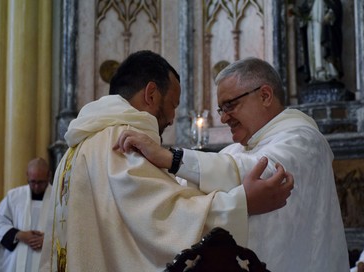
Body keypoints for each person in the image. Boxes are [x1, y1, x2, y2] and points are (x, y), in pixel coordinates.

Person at [39, 50, 293, 272]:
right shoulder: (122, 139)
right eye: (173, 105)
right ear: (151, 94)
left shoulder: (78, 147)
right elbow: (162, 219)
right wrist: (241, 203)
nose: (172, 119)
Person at [114, 56, 350, 271]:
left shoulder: (303, 139)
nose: (224, 117)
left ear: (265, 95)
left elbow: (260, 172)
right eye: (221, 109)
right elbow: (192, 184)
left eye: (230, 105)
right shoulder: (239, 149)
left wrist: (170, 157)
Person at [0, 157, 52, 272]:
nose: (36, 186)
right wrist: (19, 234)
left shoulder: (58, 199)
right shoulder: (14, 196)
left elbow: (68, 229)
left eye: (40, 182)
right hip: (14, 263)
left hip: (47, 260)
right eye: (33, 182)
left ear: (48, 175)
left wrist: (48, 240)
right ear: (27, 175)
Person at [299, 0, 343, 82]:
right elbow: (303, 12)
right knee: (313, 46)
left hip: (323, 27)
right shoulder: (309, 2)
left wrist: (330, 14)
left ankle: (327, 71)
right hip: (311, 26)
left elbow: (336, 7)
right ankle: (315, 73)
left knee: (322, 45)